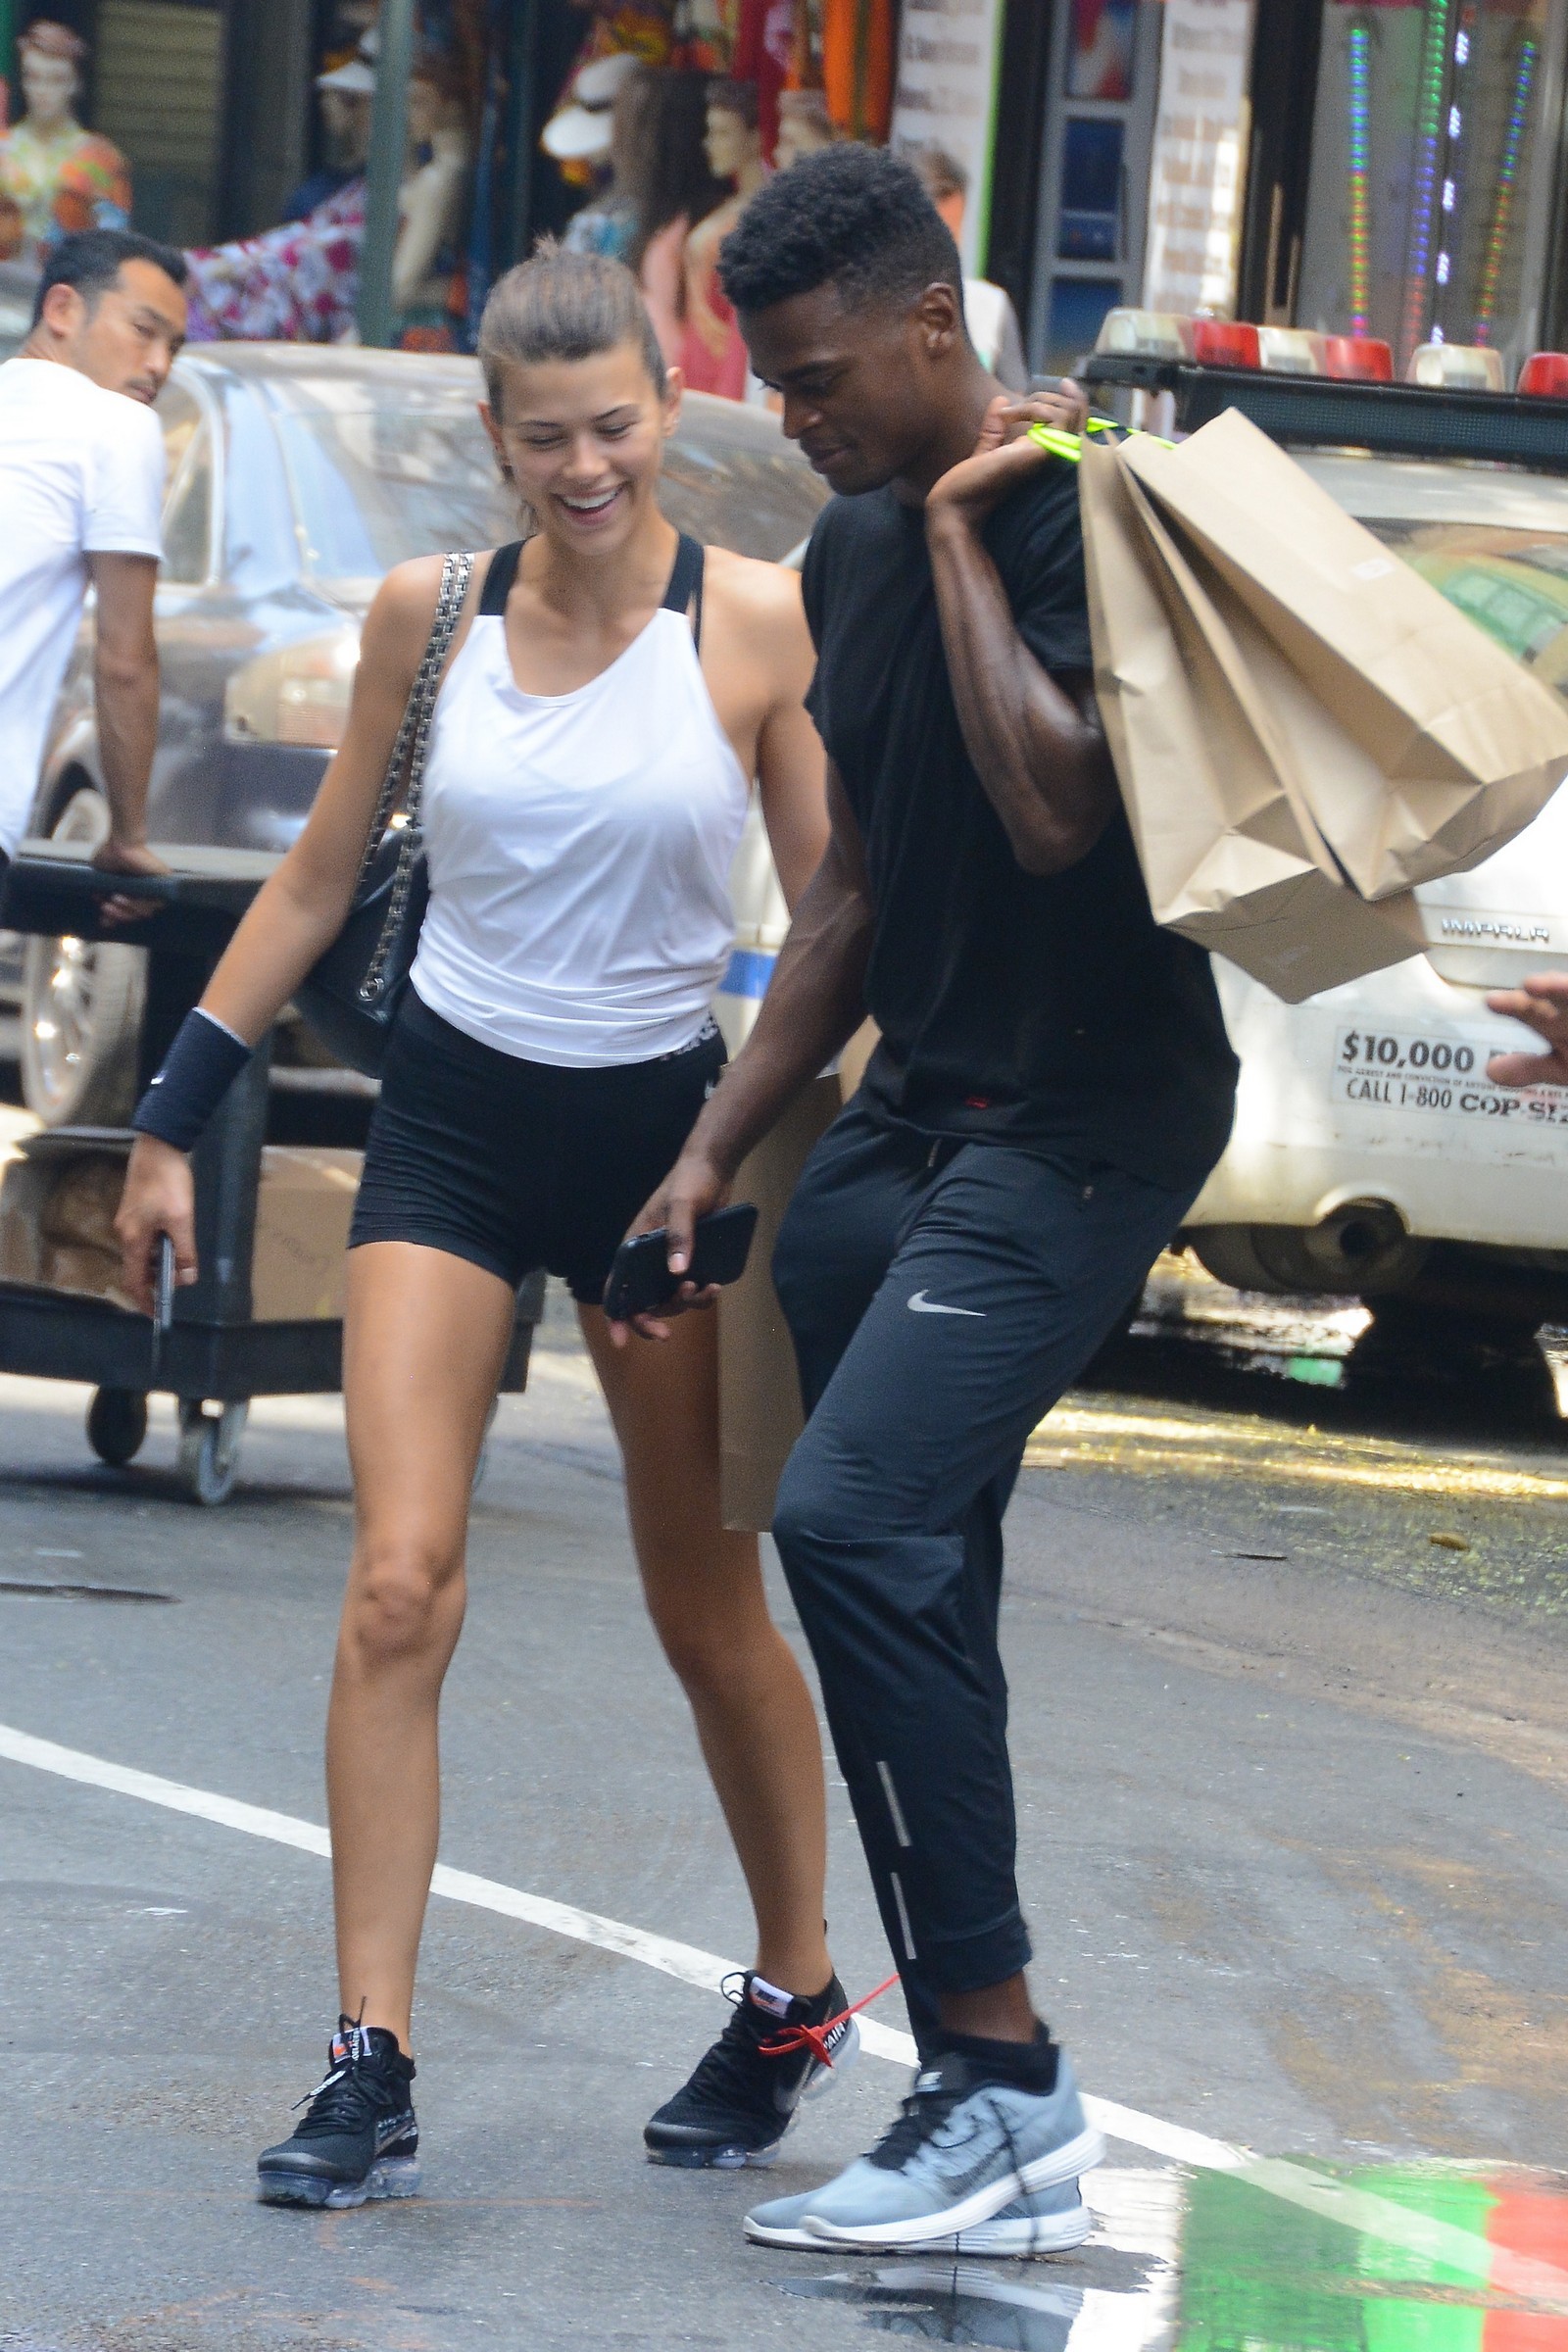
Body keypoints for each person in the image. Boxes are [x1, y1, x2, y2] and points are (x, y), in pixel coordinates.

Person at [114, 245, 854, 2210]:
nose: (584, 468)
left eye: (612, 428)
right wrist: (170, 1118)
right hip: (448, 1127)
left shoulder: (753, 626)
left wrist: (779, 1160)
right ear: (495, 440)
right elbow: (310, 883)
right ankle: (368, 2057)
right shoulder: (425, 619)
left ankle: (795, 1992)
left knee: (705, 1610)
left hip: (659, 1155)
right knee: (396, 1582)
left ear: (664, 410)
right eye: (545, 440)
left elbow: (827, 930)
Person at [612, 143, 1240, 2254]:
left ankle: (1005, 2067)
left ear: (932, 327)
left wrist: (969, 530)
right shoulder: (855, 548)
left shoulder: (1076, 517)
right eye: (770, 383)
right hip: (909, 1126)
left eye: (816, 379)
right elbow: (855, 894)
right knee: (908, 1584)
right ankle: (982, 2104)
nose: (790, 418)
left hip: (1087, 1120)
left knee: (851, 1521)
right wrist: (717, 1144)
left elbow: (1057, 808)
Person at [0, 229, 186, 906]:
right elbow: (124, 658)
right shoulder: (118, 425)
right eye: (144, 330)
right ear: (62, 310)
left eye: (175, 348)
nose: (159, 364)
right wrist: (127, 836)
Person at [907, 144, 1028, 392]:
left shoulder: (991, 309)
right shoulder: (869, 312)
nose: (947, 251)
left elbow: (1016, 402)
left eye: (954, 234)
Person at [681, 78, 765, 400]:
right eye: (711, 132)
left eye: (723, 133)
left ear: (755, 138)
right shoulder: (731, 209)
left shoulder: (758, 220)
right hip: (697, 358)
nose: (710, 143)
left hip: (726, 369)